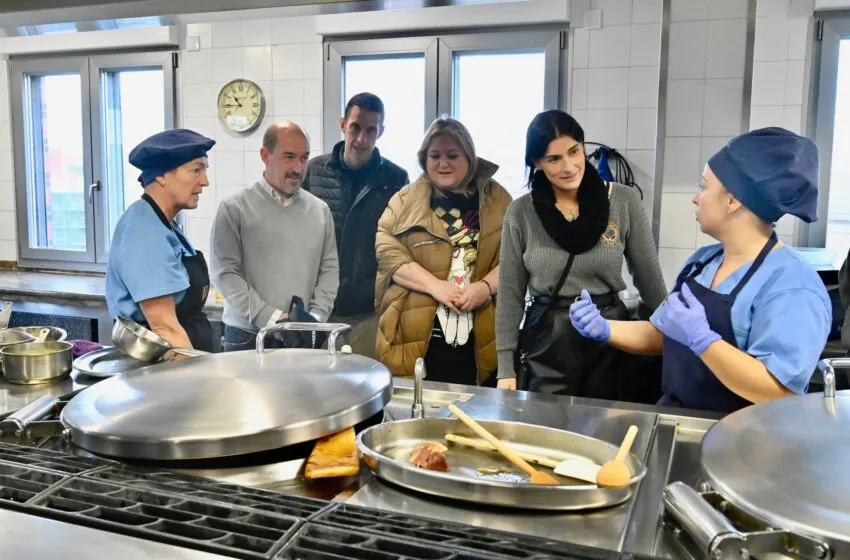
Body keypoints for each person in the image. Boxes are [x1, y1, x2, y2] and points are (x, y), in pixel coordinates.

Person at [570, 127, 832, 413]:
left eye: (704, 186)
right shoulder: (703, 262)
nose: (696, 198)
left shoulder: (792, 285)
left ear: (733, 200)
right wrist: (605, 328)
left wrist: (704, 340)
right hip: (678, 423)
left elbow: (779, 391)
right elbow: (664, 333)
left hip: (745, 443)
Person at [496, 110, 666, 399]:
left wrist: (665, 341)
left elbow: (650, 282)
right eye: (554, 159)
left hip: (611, 334)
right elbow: (510, 295)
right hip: (547, 337)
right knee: (545, 431)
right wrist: (505, 369)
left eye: (574, 151)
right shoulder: (521, 212)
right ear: (537, 163)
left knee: (606, 430)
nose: (569, 166)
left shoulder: (624, 201)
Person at [375, 117, 512, 385]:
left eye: (452, 155)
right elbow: (386, 250)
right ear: (424, 159)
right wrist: (435, 286)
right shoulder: (404, 200)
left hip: (482, 334)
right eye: (434, 155)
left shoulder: (499, 200)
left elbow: (516, 257)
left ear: (469, 158)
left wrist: (484, 287)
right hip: (417, 338)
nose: (443, 163)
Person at [210, 122, 339, 351]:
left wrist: (315, 320)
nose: (298, 168)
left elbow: (329, 271)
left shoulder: (320, 211)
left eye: (304, 158)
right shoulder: (234, 208)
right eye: (288, 157)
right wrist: (273, 318)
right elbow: (225, 274)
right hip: (247, 338)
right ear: (265, 155)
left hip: (301, 338)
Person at [303, 93, 409, 357]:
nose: (362, 138)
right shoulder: (313, 171)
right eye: (356, 127)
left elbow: (402, 245)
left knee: (361, 385)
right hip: (318, 309)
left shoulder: (395, 179)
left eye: (371, 129)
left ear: (380, 131)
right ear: (343, 124)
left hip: (368, 312)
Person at [106, 128, 216, 351]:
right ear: (162, 176)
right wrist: (204, 379)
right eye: (196, 170)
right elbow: (165, 329)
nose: (205, 181)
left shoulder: (163, 223)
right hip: (161, 368)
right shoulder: (144, 232)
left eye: (204, 170)